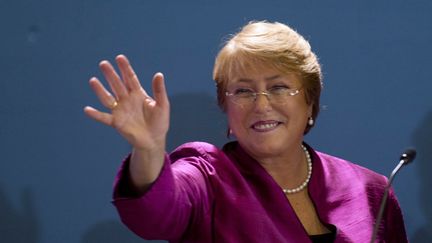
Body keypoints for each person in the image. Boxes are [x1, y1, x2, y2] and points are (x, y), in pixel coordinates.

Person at [84, 21, 408, 242]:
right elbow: (154, 214)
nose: (261, 104)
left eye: (279, 87)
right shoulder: (206, 177)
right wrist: (150, 151)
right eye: (243, 91)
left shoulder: (371, 190)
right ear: (226, 107)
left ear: (310, 102)